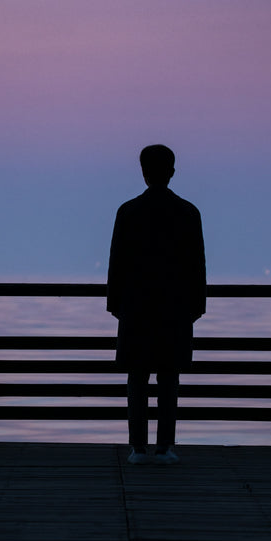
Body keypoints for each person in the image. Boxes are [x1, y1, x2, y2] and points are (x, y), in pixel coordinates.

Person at [107, 145, 206, 465]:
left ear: (143, 171)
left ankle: (137, 447)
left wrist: (117, 305)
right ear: (172, 171)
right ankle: (165, 448)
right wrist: (195, 307)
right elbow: (197, 267)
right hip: (175, 308)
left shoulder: (128, 211)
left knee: (137, 378)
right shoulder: (188, 212)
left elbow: (116, 265)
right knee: (169, 378)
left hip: (135, 306)